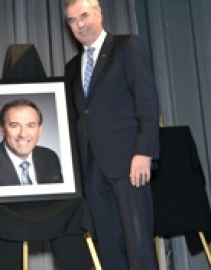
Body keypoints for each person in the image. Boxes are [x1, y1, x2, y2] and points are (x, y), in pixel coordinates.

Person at [64, 0, 160, 269]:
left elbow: (148, 104)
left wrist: (144, 152)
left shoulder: (127, 47)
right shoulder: (71, 68)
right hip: (92, 171)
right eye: (72, 21)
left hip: (130, 163)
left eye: (83, 16)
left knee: (139, 246)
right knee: (108, 249)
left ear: (99, 14)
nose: (79, 25)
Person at [0, 99, 63, 186]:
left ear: (39, 130)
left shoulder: (50, 157)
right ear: (2, 130)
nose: (23, 134)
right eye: (15, 126)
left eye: (30, 126)